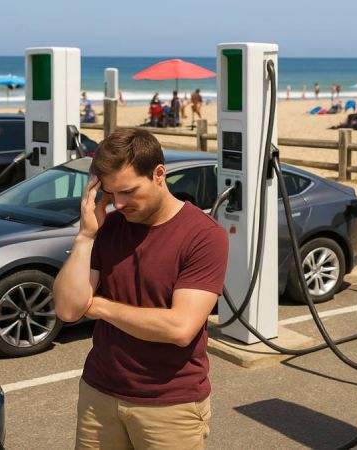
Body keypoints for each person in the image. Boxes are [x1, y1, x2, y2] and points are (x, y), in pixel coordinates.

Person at [53, 128, 228, 449]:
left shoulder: (204, 235)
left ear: (159, 174)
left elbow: (179, 328)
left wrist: (97, 306)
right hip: (99, 394)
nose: (119, 204)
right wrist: (85, 236)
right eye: (110, 193)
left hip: (169, 404)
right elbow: (66, 309)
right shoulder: (108, 228)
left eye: (129, 191)